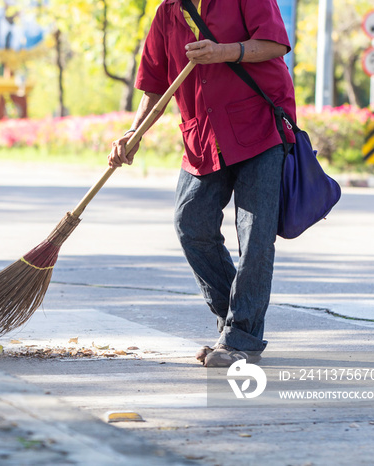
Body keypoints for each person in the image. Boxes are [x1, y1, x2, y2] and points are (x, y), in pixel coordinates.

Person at [108, 0, 296, 367]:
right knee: (190, 224)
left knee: (256, 234)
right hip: (204, 136)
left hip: (260, 128)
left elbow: (275, 45)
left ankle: (241, 337)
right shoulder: (166, 14)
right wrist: (135, 132)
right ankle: (237, 325)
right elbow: (154, 89)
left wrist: (222, 52)